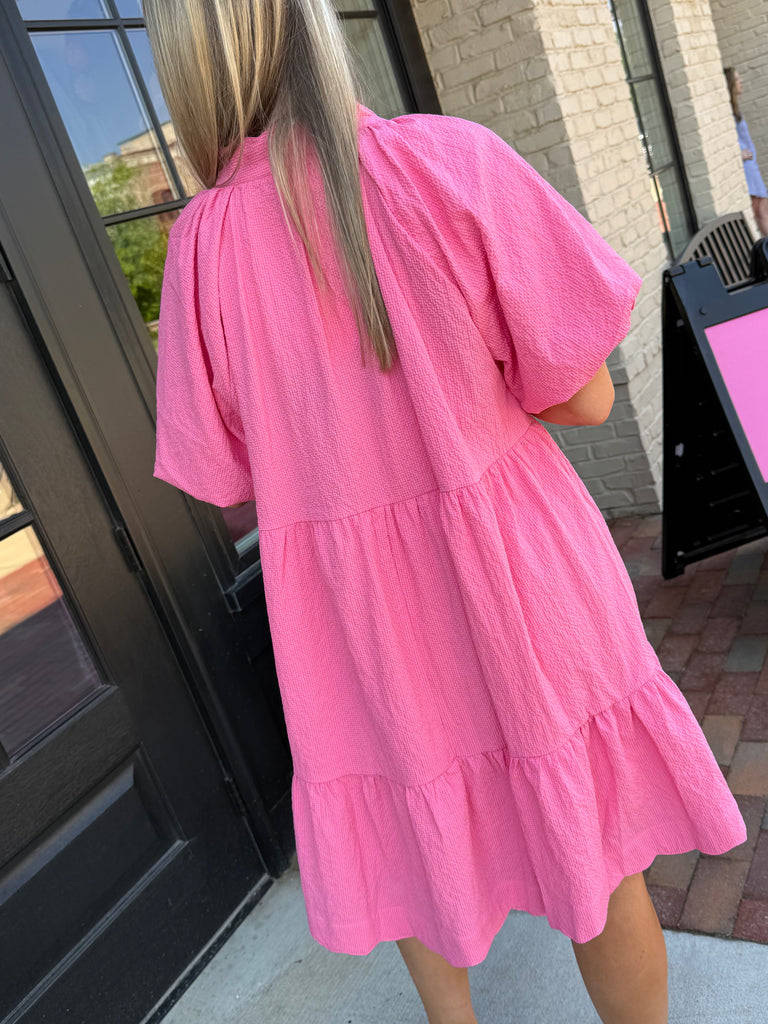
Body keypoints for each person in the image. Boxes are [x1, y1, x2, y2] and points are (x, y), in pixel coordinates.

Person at [146, 2, 747, 1021]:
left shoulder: (200, 249)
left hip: (353, 625)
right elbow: (587, 397)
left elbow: (225, 471)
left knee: (403, 843)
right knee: (597, 856)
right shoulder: (444, 165)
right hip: (518, 578)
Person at [725, 66, 768, 236]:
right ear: (730, 84)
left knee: (762, 209)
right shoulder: (727, 112)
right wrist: (738, 155)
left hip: (752, 166)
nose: (741, 81)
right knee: (760, 211)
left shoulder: (734, 109)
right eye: (737, 79)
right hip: (747, 168)